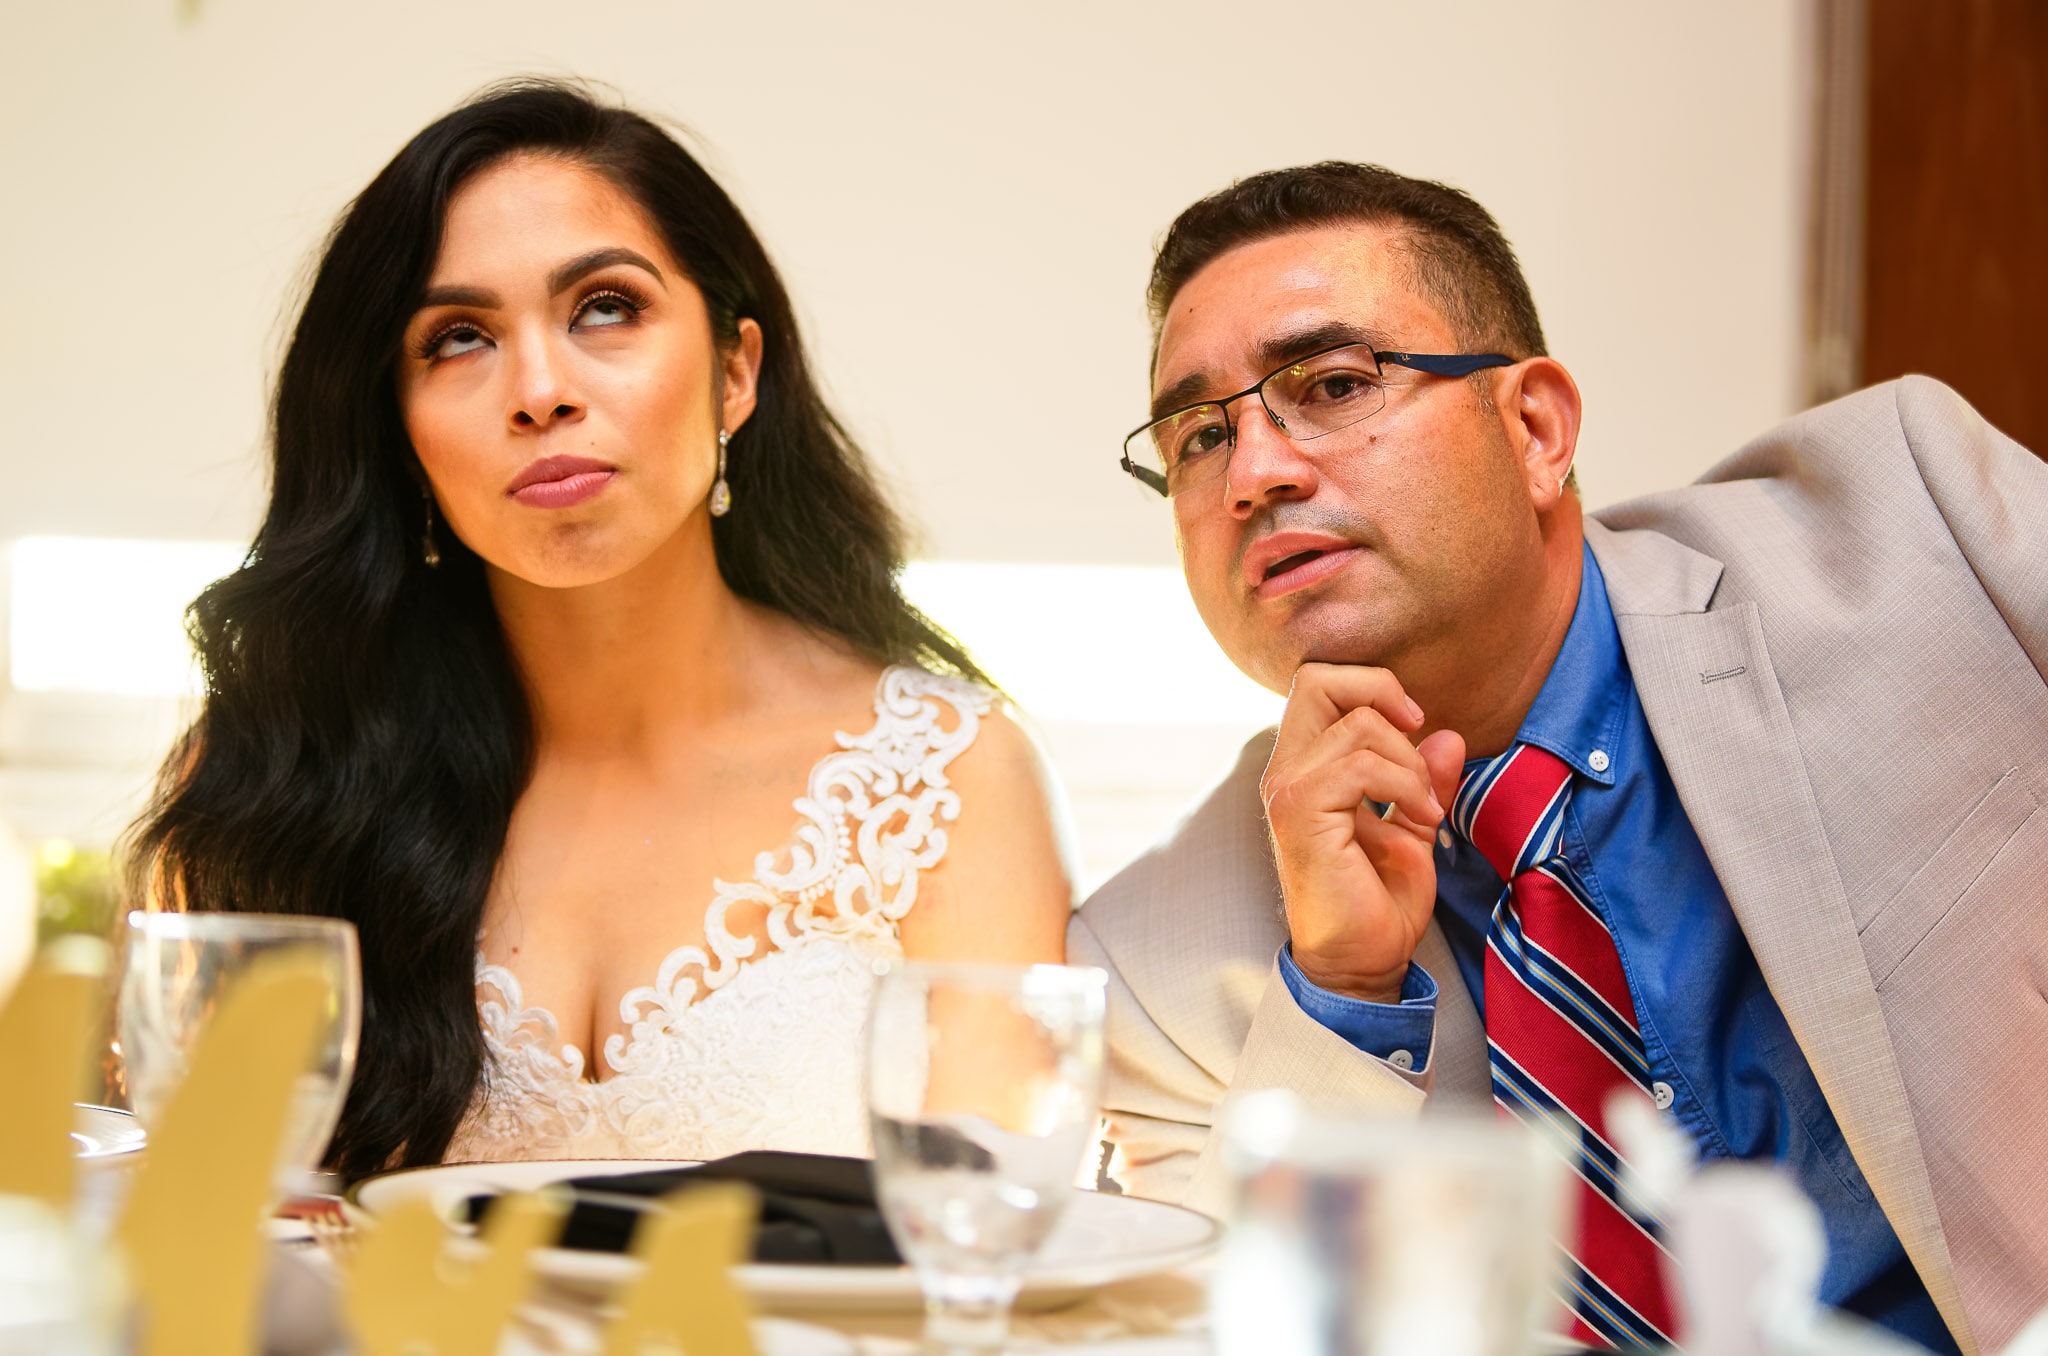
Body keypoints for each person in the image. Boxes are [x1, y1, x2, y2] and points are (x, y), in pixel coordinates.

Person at [1070, 161, 2046, 1355]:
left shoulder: (1907, 518)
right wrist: (1341, 998)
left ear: (1534, 428)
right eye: (1196, 436)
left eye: (1328, 385)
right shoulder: (1150, 965)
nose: (1253, 475)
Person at [127, 80, 1073, 1177]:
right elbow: (204, 1230)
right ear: (398, 431)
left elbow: (992, 1268)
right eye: (458, 338)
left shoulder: (947, 780)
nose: (538, 389)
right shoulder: (280, 775)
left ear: (733, 372)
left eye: (605, 308)